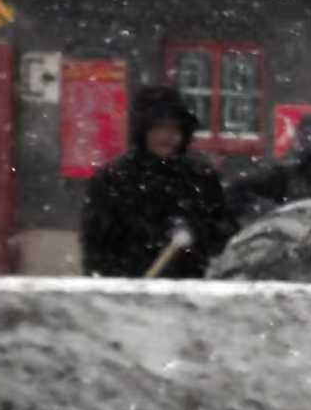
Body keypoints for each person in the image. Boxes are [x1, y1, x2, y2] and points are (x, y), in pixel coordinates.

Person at [78, 87, 238, 280]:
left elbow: (224, 230)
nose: (166, 136)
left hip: (189, 287)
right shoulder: (113, 179)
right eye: (158, 128)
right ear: (143, 131)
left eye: (174, 128)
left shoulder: (200, 177)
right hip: (129, 285)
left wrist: (196, 231)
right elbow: (96, 245)